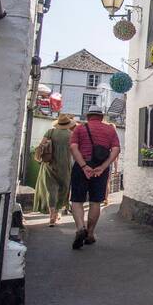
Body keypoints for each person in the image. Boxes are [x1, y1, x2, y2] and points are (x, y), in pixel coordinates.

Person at [69, 103, 121, 250]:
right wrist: (103, 167)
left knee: (77, 200)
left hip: (81, 167)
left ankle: (80, 228)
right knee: (95, 201)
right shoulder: (110, 130)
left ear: (88, 116)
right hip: (100, 168)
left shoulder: (79, 128)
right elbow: (116, 149)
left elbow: (73, 147)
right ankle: (90, 234)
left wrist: (84, 166)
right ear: (102, 116)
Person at [32, 113, 74, 225]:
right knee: (63, 189)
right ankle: (57, 212)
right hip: (65, 165)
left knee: (51, 189)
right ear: (68, 124)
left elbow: (41, 146)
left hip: (49, 164)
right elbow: (74, 151)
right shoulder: (71, 135)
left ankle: (52, 214)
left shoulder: (50, 132)